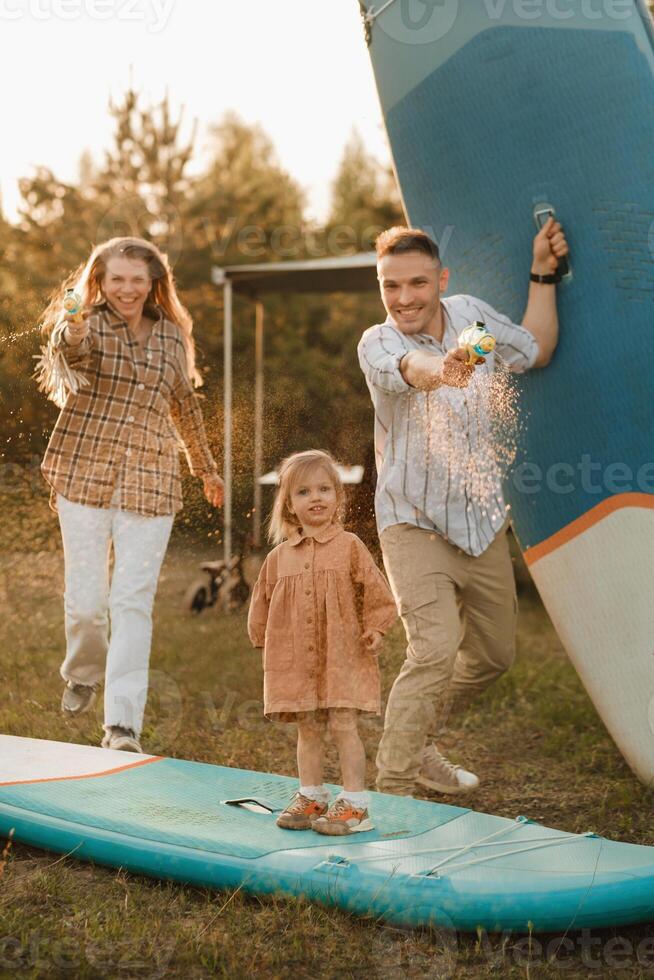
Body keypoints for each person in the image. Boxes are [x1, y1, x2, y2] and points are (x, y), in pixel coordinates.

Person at [358, 219, 569, 797]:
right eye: (390, 286)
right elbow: (409, 371)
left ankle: (417, 736)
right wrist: (442, 369)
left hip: (480, 524)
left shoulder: (471, 313)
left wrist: (542, 274)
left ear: (441, 279)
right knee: (433, 650)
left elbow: (537, 347)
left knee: (495, 655)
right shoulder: (379, 341)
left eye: (417, 283)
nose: (403, 299)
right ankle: (393, 792)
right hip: (412, 522)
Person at [36, 236, 224, 753]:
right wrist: (70, 327)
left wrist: (205, 468)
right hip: (84, 476)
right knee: (87, 605)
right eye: (116, 278)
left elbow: (185, 404)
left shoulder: (171, 339)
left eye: (137, 279)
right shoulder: (88, 324)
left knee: (132, 604)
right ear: (101, 280)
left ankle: (122, 727)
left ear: (154, 283)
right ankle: (82, 671)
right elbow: (71, 351)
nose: (126, 288)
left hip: (151, 481)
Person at [247, 450, 397, 836]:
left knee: (344, 725)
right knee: (308, 729)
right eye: (303, 492)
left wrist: (376, 627)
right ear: (289, 505)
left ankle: (356, 805)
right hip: (297, 658)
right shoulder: (280, 557)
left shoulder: (349, 545)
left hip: (343, 654)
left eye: (324, 489)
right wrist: (261, 634)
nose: (315, 497)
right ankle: (312, 795)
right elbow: (261, 600)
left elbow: (377, 591)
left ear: (338, 497)